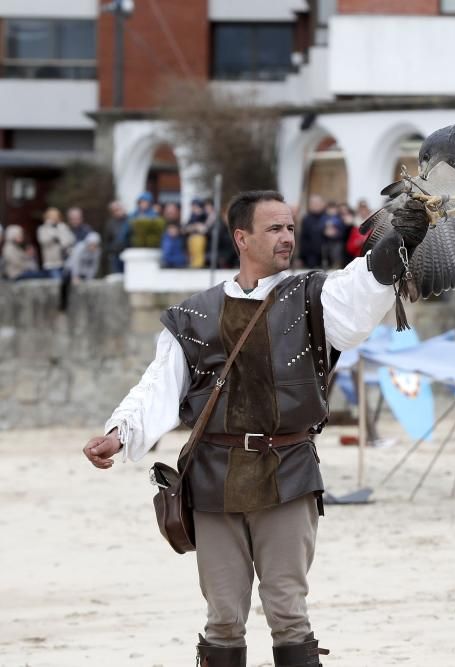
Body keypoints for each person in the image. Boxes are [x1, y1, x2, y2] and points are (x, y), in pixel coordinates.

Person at [82, 190, 431, 665]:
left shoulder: (314, 296)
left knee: (289, 614)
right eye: (274, 229)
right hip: (213, 478)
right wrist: (119, 433)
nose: (287, 236)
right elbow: (158, 386)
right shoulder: (193, 316)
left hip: (287, 470)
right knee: (222, 620)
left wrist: (397, 243)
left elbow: (359, 291)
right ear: (241, 238)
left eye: (290, 227)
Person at [36, 207, 74, 278]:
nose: (53, 218)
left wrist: (59, 231)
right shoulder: (43, 229)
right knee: (56, 282)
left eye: (55, 216)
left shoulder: (63, 227)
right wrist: (51, 229)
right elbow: (43, 241)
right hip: (51, 263)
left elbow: (68, 241)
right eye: (51, 216)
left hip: (64, 261)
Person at [299, 195, 328, 269]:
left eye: (317, 203)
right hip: (310, 256)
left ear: (322, 204)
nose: (315, 205)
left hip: (326, 255)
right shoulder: (306, 219)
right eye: (313, 203)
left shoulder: (329, 217)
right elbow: (303, 238)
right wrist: (301, 257)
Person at [105, 200, 131, 274]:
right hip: (115, 255)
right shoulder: (110, 223)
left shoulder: (129, 220)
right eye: (115, 210)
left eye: (119, 209)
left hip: (127, 253)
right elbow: (107, 240)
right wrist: (111, 249)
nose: (117, 211)